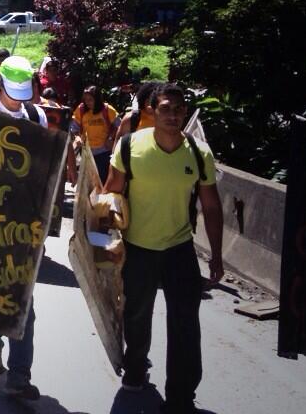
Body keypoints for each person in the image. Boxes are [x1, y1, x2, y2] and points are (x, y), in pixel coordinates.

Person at [103, 83, 224, 414]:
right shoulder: (129, 147)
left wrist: (216, 254)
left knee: (185, 322)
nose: (173, 115)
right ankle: (137, 368)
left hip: (179, 249)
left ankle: (180, 397)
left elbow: (211, 207)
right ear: (151, 112)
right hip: (138, 248)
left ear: (185, 113)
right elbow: (110, 195)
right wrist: (101, 244)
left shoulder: (199, 153)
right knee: (136, 315)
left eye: (178, 109)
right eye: (166, 108)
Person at [0, 55, 47, 400]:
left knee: (24, 303)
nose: (19, 99)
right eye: (12, 91)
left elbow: (43, 167)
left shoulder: (37, 115)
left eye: (25, 91)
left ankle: (20, 374)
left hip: (24, 224)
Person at [71, 85, 121, 183]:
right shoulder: (81, 110)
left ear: (97, 99)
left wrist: (111, 138)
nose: (87, 102)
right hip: (87, 152)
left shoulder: (107, 110)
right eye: (85, 100)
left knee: (102, 182)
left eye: (90, 99)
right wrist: (77, 137)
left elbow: (120, 126)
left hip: (104, 152)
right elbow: (74, 128)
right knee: (89, 183)